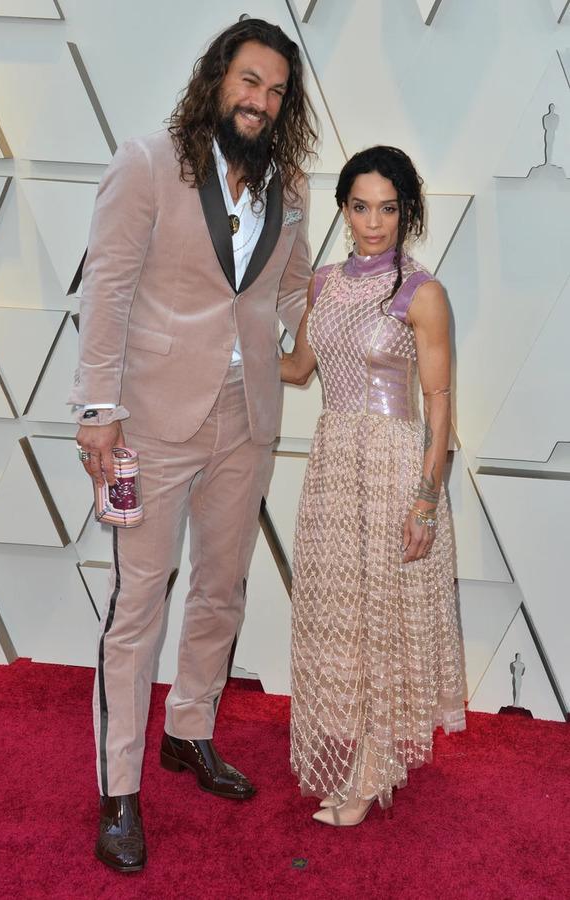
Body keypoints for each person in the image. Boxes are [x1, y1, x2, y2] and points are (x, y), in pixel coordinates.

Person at [70, 18, 317, 871]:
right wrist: (98, 409)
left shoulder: (289, 186)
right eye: (250, 81)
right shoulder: (148, 163)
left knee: (221, 589)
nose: (261, 101)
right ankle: (119, 791)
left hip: (247, 418)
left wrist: (335, 325)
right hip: (150, 418)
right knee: (138, 604)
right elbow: (107, 286)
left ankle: (190, 731)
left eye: (276, 91)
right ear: (218, 79)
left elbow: (291, 288)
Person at [282, 146, 466, 827]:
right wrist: (228, 344)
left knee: (384, 618)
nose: (373, 222)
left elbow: (440, 406)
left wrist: (426, 500)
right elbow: (299, 367)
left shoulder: (422, 292)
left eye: (388, 208)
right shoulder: (323, 284)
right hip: (334, 467)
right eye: (360, 207)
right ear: (343, 209)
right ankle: (365, 751)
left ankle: (373, 767)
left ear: (407, 212)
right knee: (346, 615)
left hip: (392, 467)